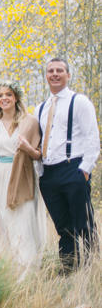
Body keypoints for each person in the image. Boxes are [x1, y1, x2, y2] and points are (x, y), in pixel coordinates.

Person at [35, 58, 99, 271]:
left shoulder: (79, 102)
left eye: (59, 70)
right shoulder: (41, 108)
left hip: (73, 168)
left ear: (68, 75)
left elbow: (92, 137)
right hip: (49, 174)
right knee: (63, 227)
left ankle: (92, 269)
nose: (54, 74)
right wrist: (40, 173)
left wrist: (85, 170)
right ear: (46, 76)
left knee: (84, 224)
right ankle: (69, 267)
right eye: (50, 71)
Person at [0, 82, 46, 270]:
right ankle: (9, 267)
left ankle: (27, 267)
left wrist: (27, 148)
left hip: (22, 175)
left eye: (8, 94)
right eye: (0, 96)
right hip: (0, 174)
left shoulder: (30, 121)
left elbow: (38, 155)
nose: (4, 98)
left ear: (16, 97)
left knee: (23, 219)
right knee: (3, 220)